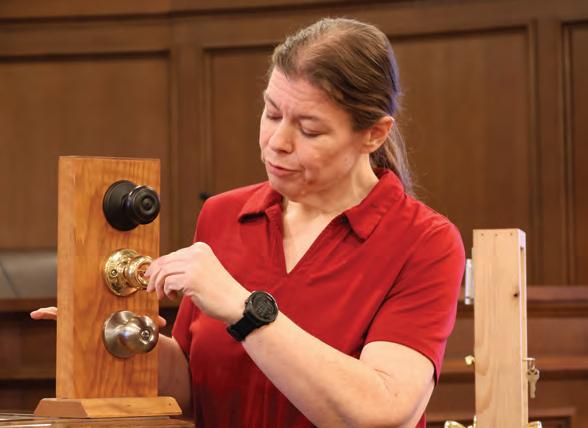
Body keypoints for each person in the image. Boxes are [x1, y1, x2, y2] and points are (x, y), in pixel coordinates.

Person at [32, 17, 465, 428]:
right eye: (272, 114)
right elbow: (195, 388)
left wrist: (245, 309)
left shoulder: (425, 241)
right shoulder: (222, 214)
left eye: (310, 130)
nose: (277, 142)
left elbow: (383, 414)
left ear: (374, 133)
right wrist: (122, 335)